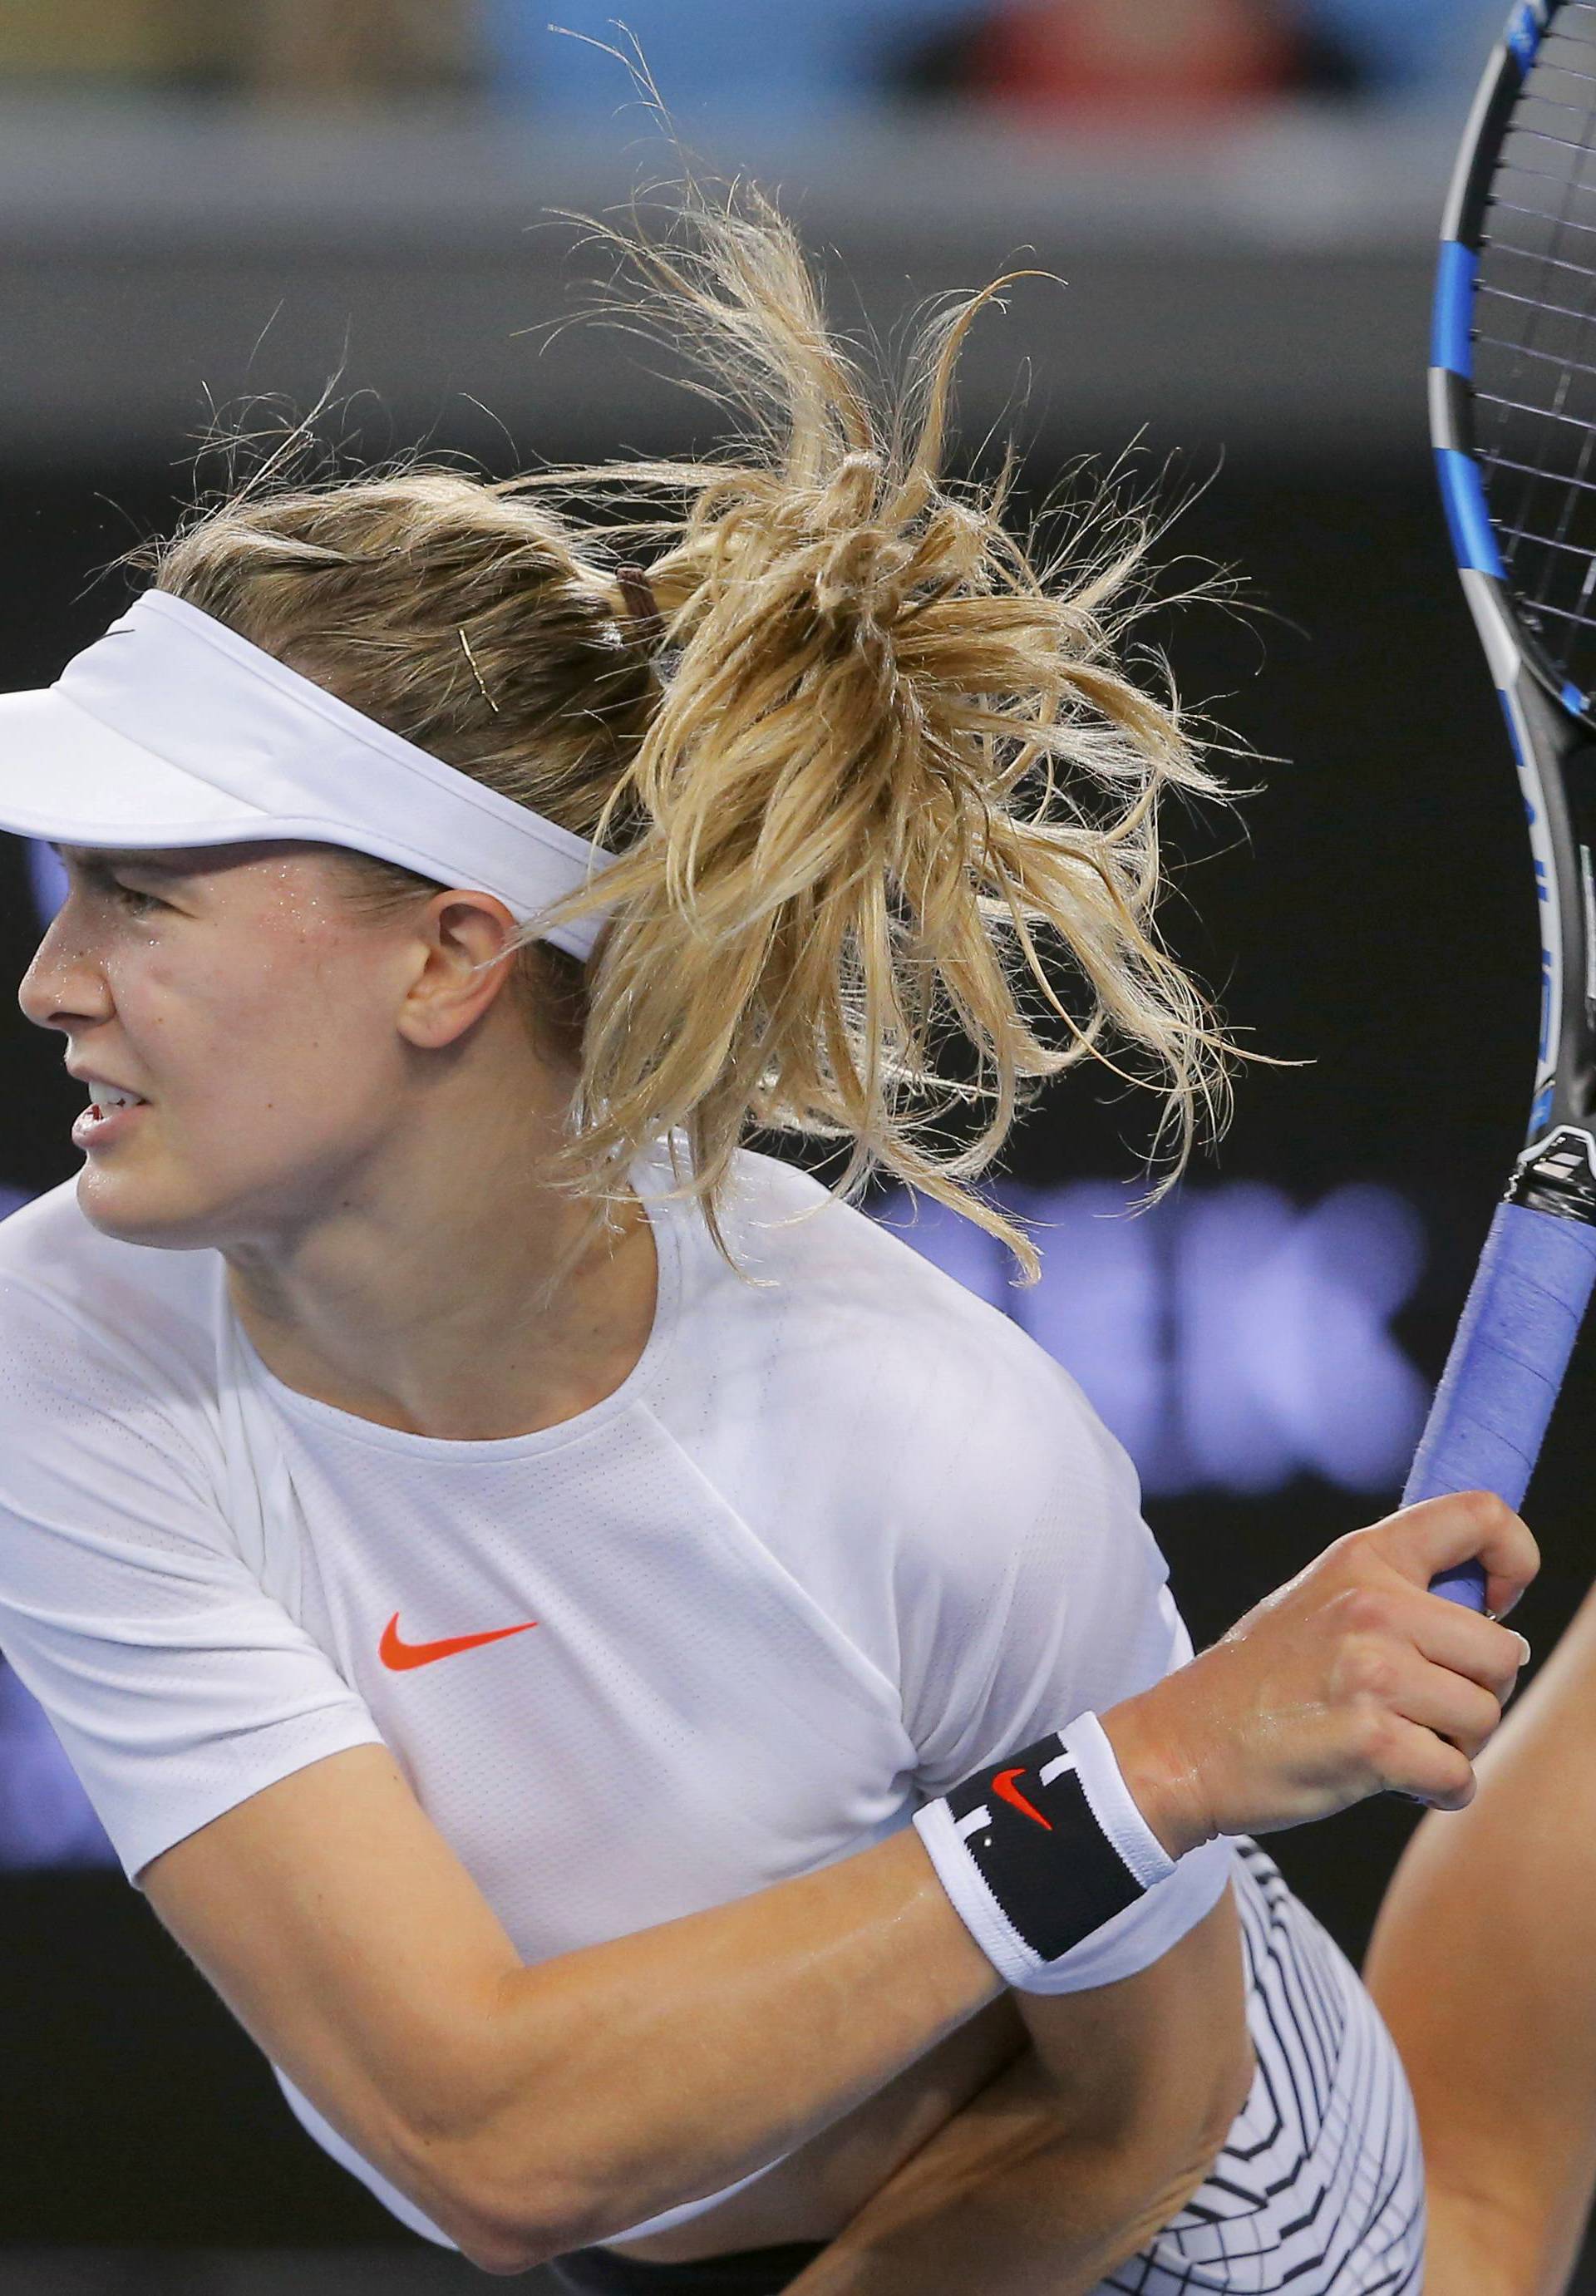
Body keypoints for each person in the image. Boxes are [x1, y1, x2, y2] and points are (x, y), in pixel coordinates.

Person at [0, 174, 1538, 2295]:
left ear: (452, 956)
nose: (50, 982)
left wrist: (1136, 1783)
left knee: (1463, 2237)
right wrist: (1160, 1768)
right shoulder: (50, 1347)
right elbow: (488, 2134)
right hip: (628, 2224)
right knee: (1506, 2208)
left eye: (140, 900)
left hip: (1154, 2202)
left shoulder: (929, 1444)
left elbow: (1125, 2118)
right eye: (60, 890)